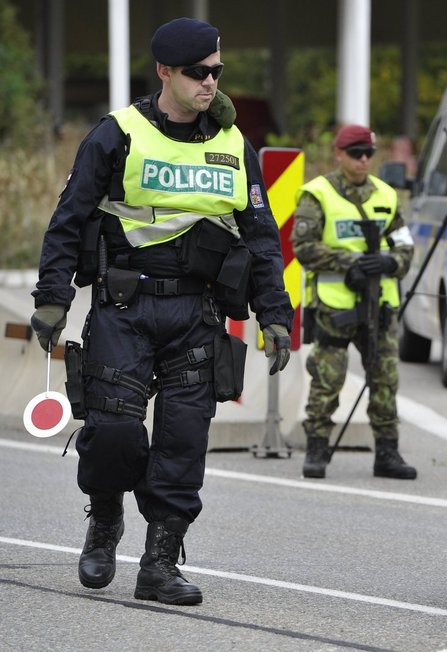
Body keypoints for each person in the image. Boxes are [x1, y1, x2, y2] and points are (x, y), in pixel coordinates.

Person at [29, 17, 294, 606]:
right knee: (115, 431)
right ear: (165, 73)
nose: (211, 83)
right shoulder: (117, 133)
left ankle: (160, 562)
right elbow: (68, 220)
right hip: (125, 307)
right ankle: (104, 520)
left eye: (217, 72)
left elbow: (260, 237)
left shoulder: (233, 145)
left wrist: (274, 313)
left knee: (182, 441)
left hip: (196, 315)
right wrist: (52, 298)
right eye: (199, 73)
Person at [292, 124, 417, 480]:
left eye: (368, 154)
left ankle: (387, 453)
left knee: (385, 379)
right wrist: (351, 263)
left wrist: (392, 262)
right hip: (336, 306)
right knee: (328, 379)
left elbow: (405, 244)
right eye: (355, 153)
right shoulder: (317, 194)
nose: (363, 160)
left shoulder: (387, 196)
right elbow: (303, 247)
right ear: (339, 154)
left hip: (380, 305)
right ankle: (316, 448)